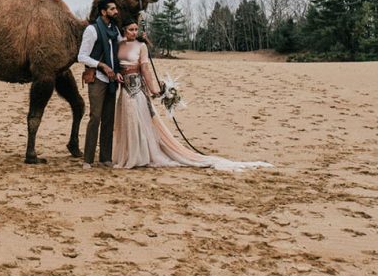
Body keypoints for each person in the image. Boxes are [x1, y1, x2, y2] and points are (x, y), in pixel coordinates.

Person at [112, 19, 273, 172]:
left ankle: (141, 155)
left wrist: (153, 89)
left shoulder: (141, 46)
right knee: (129, 121)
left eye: (135, 29)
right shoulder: (118, 45)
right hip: (125, 89)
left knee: (140, 121)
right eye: (130, 29)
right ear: (124, 30)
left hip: (138, 89)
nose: (134, 32)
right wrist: (117, 73)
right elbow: (116, 64)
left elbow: (145, 69)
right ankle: (130, 154)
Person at [77, 0, 122, 169]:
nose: (115, 11)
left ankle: (105, 158)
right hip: (97, 79)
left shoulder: (115, 30)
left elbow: (119, 50)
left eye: (115, 8)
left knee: (109, 119)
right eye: (112, 9)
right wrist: (101, 65)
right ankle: (88, 159)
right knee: (95, 117)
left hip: (111, 80)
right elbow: (81, 56)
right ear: (103, 12)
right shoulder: (92, 30)